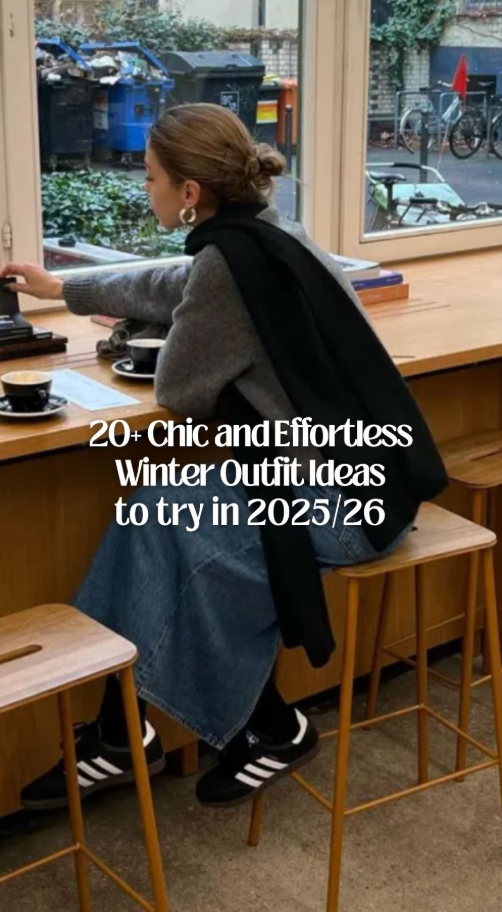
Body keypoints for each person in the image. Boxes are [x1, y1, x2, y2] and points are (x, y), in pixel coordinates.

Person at [1, 103, 448, 812]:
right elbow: (177, 284)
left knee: (165, 529)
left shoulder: (225, 265)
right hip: (376, 474)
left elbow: (180, 388)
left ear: (189, 193)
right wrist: (67, 289)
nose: (143, 187)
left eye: (151, 176)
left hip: (342, 502)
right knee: (153, 516)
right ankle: (144, 731)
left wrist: (132, 332)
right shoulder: (273, 233)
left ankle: (237, 729)